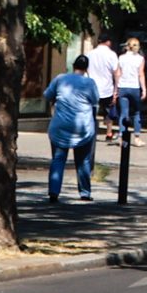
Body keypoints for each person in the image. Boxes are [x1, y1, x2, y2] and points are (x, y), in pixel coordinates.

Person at [44, 54, 99, 200]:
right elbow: (95, 100)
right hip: (82, 126)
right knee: (83, 160)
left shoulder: (60, 79)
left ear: (73, 65)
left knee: (58, 159)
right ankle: (85, 193)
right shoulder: (89, 83)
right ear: (86, 68)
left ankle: (54, 192)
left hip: (60, 125)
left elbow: (47, 95)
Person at [85, 35, 121, 142]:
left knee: (91, 111)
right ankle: (109, 132)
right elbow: (116, 73)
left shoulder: (90, 54)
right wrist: (116, 90)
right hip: (107, 88)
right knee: (108, 111)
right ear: (108, 42)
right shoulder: (111, 54)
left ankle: (89, 132)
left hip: (93, 88)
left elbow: (86, 69)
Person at [113, 36, 147, 145]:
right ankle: (137, 137)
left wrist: (116, 89)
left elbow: (118, 74)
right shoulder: (140, 58)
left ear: (127, 46)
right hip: (135, 87)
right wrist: (144, 89)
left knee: (124, 113)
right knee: (137, 112)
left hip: (123, 86)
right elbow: (141, 74)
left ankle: (123, 138)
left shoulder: (121, 58)